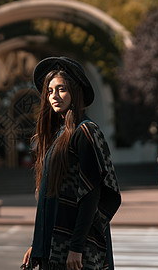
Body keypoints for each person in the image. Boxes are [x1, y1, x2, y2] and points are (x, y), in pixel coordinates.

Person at [21, 57, 121, 270]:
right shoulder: (57, 136)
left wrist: (76, 247)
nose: (54, 96)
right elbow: (50, 198)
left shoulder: (85, 132)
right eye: (49, 91)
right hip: (52, 246)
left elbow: (91, 194)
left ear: (75, 93)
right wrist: (36, 243)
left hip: (72, 252)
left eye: (61, 89)